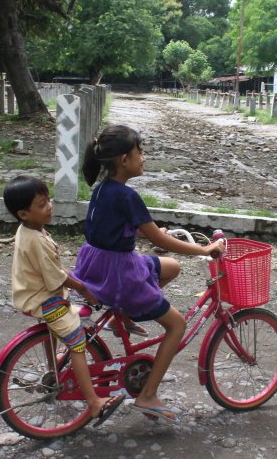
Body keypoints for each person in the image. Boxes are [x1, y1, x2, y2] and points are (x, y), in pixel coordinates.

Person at [73, 125, 225, 423]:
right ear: (123, 159)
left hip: (99, 263)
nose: (143, 157)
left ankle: (126, 313)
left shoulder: (103, 189)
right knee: (177, 325)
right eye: (139, 152)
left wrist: (150, 233)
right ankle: (147, 395)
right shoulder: (127, 196)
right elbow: (160, 241)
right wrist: (206, 250)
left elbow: (114, 230)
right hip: (119, 272)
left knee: (171, 267)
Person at [3, 175, 124, 427]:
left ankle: (55, 365)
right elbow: (55, 277)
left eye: (48, 200)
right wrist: (84, 288)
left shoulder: (28, 229)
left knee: (64, 333)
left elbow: (51, 269)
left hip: (32, 294)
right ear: (23, 213)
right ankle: (94, 403)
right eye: (41, 204)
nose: (49, 207)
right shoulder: (36, 240)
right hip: (46, 299)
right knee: (78, 344)